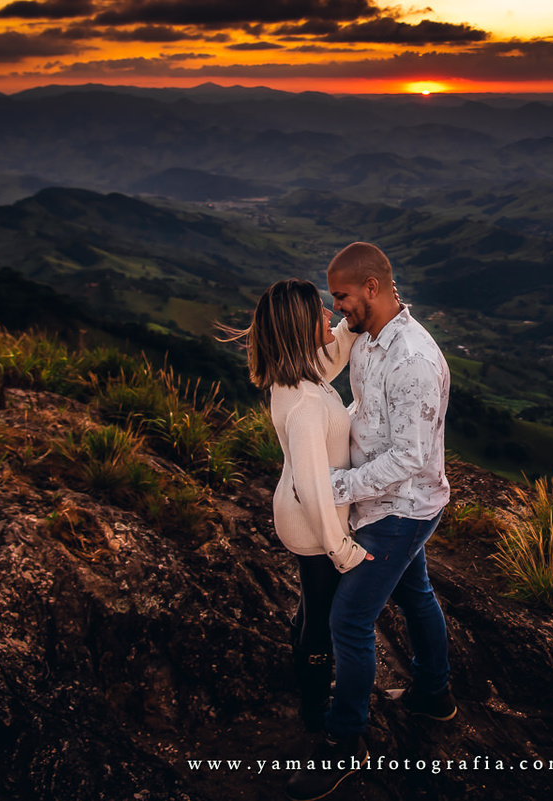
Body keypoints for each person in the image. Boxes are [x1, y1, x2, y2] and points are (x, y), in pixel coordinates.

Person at [286, 243, 456, 801]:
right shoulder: (367, 343)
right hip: (384, 502)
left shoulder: (414, 360)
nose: (336, 311)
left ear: (372, 288)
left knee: (349, 620)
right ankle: (435, 695)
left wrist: (332, 487)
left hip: (402, 509)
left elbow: (409, 458)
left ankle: (344, 741)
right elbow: (365, 410)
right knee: (416, 593)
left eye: (341, 297)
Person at [225, 279, 371, 735]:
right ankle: (314, 711)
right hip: (311, 523)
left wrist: (358, 318)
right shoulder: (306, 400)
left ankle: (305, 678)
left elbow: (333, 353)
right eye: (320, 313)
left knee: (311, 604)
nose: (329, 314)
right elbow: (313, 488)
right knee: (323, 620)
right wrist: (341, 549)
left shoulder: (296, 377)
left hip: (295, 513)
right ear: (298, 327)